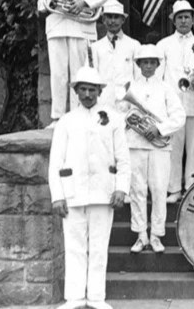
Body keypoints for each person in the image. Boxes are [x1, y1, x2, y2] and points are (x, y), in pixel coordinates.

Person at [48, 66, 130, 309]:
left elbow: (123, 159)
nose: (87, 94)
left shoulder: (113, 119)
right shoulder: (66, 121)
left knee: (98, 247)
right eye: (82, 89)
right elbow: (56, 161)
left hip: (103, 192)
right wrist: (57, 196)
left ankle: (96, 298)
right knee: (74, 246)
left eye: (91, 89)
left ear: (99, 91)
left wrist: (121, 188)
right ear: (75, 91)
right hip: (73, 193)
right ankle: (74, 298)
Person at [38, 0, 111, 127]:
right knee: (58, 74)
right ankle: (58, 117)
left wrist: (84, 2)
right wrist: (51, 1)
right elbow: (41, 4)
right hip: (57, 28)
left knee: (80, 73)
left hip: (81, 29)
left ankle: (79, 115)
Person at [126, 44, 186, 254]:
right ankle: (141, 234)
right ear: (139, 65)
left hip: (160, 147)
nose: (148, 66)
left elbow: (179, 117)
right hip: (135, 144)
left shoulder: (167, 88)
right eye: (145, 63)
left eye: (152, 62)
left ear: (158, 65)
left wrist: (158, 128)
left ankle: (156, 235)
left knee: (159, 189)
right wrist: (131, 123)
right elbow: (121, 114)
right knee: (138, 190)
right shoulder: (131, 87)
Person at [156, 0, 194, 203]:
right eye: (179, 17)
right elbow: (158, 78)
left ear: (192, 19)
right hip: (172, 108)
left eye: (187, 17)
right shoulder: (163, 45)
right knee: (174, 150)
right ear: (173, 20)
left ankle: (190, 188)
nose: (183, 21)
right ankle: (174, 189)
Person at [92, 0, 141, 112]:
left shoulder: (134, 45)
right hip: (103, 101)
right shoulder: (96, 47)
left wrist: (135, 104)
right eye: (109, 17)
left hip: (127, 102)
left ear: (123, 19)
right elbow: (93, 77)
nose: (112, 21)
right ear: (103, 20)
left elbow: (138, 77)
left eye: (116, 17)